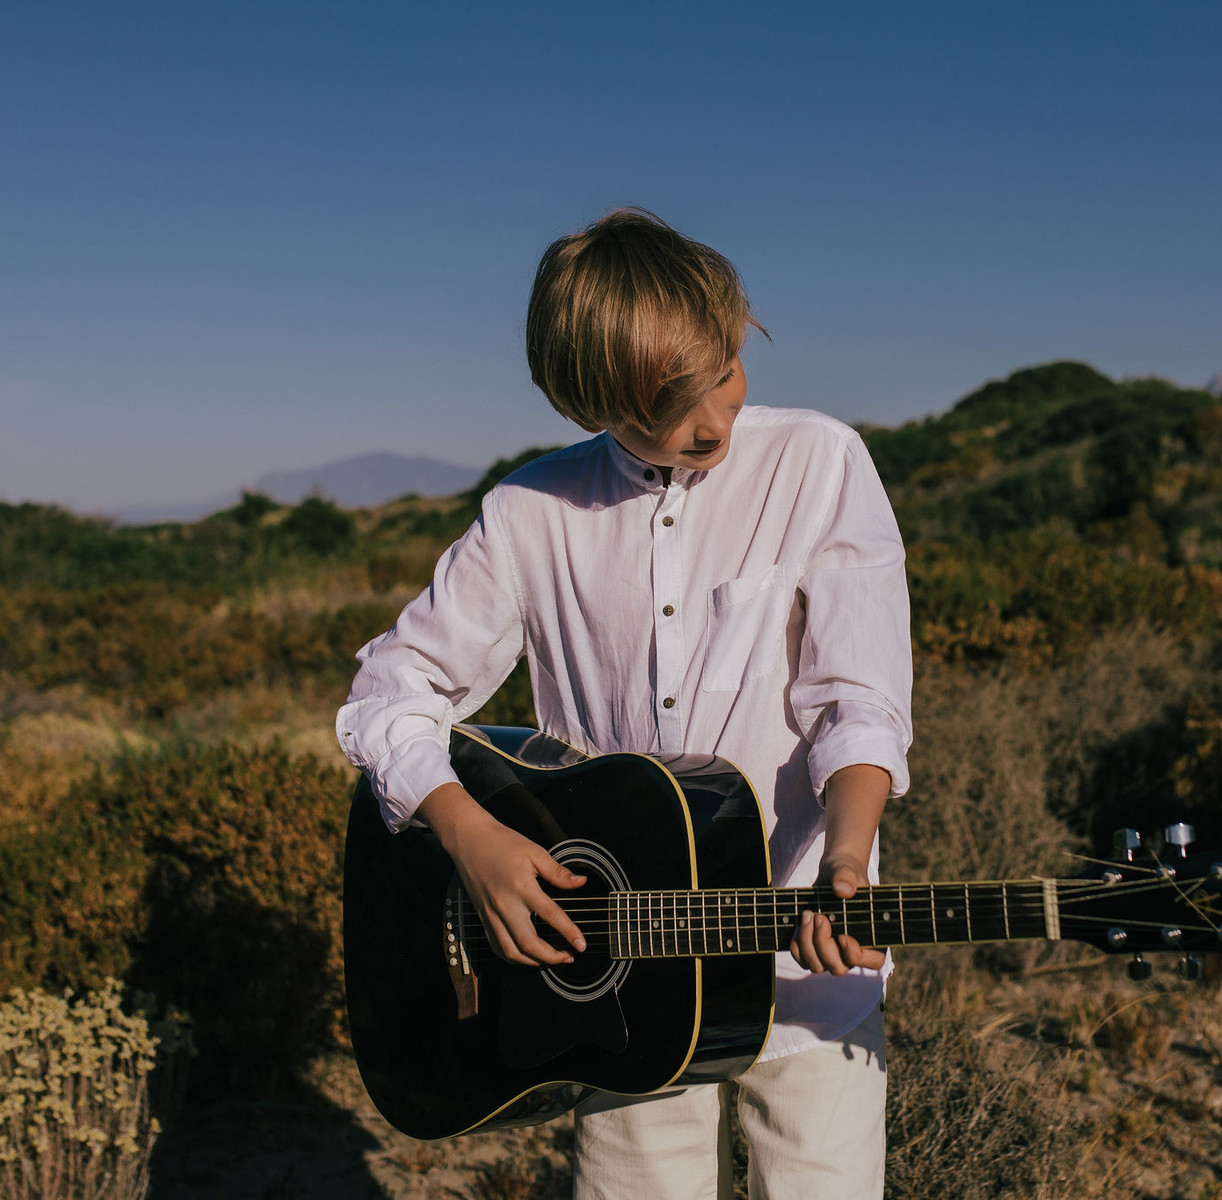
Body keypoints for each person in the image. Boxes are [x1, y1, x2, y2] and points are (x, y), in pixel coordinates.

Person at [336, 207, 912, 1199]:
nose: (712, 421)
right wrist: (470, 838)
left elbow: (856, 696)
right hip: (617, 989)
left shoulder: (819, 462)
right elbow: (391, 690)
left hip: (809, 989)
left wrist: (849, 856)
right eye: (668, 408)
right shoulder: (529, 513)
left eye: (726, 371)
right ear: (587, 406)